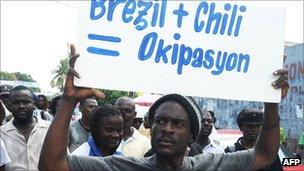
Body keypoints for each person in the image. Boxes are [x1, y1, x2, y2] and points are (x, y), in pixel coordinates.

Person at [39, 44, 289, 170]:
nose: (166, 128)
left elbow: (264, 154)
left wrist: (271, 101)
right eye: (160, 121)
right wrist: (69, 101)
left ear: (192, 134)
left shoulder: (210, 164)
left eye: (178, 124)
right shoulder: (121, 165)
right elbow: (52, 165)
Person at [1, 85, 50, 170]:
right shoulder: (1, 133)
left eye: (26, 102)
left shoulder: (49, 129)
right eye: (16, 103)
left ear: (33, 104)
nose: (21, 106)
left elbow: (61, 158)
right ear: (10, 105)